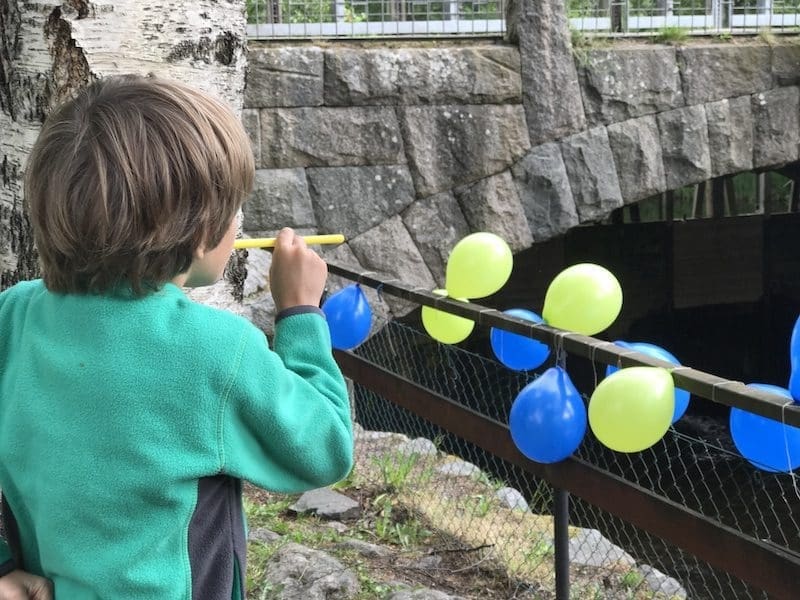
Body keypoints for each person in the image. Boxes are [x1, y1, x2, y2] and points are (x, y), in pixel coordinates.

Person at [0, 74, 353, 599]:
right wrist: (300, 311)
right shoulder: (216, 349)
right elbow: (324, 448)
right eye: (234, 208)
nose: (238, 222)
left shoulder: (15, 314)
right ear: (200, 233)